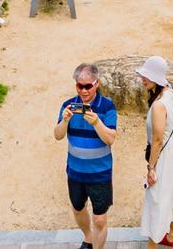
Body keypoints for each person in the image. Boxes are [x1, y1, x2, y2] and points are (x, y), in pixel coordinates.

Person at [54, 63, 119, 249]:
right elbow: (58, 135)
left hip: (100, 173)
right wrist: (65, 121)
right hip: (75, 172)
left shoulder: (107, 106)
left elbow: (110, 139)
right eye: (79, 86)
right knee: (78, 208)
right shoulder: (68, 106)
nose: (83, 91)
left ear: (96, 84)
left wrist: (97, 122)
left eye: (87, 86)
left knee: (99, 219)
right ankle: (88, 238)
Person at [137, 56, 173, 249]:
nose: (143, 79)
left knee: (155, 200)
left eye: (147, 76)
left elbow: (157, 139)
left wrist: (151, 167)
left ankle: (152, 245)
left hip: (164, 158)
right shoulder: (170, 93)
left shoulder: (158, 105)